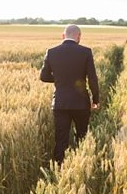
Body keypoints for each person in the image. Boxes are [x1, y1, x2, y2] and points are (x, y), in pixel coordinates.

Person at [40, 24, 100, 164]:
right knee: (82, 137)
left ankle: (59, 170)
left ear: (63, 35)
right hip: (81, 103)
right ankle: (82, 165)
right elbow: (92, 78)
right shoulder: (86, 52)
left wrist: (61, 78)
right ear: (79, 36)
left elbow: (43, 76)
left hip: (60, 103)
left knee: (61, 140)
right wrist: (95, 99)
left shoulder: (51, 52)